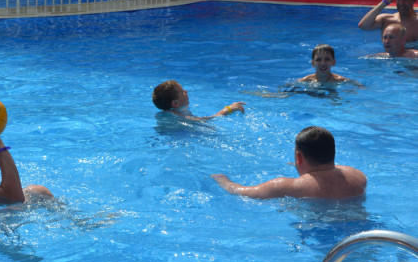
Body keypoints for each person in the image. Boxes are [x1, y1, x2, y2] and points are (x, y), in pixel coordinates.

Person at [212, 126, 366, 199]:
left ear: (299, 157)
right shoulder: (358, 176)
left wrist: (221, 178)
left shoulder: (286, 186)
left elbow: (239, 191)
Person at [152, 80, 245, 120]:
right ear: (175, 103)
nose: (186, 91)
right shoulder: (175, 114)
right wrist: (227, 109)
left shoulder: (169, 113)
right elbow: (200, 121)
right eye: (182, 92)